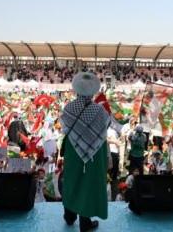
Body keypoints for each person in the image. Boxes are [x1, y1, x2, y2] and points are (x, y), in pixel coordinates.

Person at [60, 72, 110, 232]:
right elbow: (105, 129)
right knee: (88, 184)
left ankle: (69, 216)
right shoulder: (100, 110)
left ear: (76, 89)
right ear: (93, 90)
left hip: (73, 149)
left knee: (72, 180)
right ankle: (85, 221)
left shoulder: (68, 108)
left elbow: (65, 127)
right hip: (94, 152)